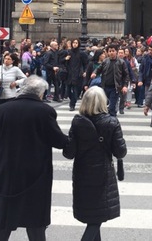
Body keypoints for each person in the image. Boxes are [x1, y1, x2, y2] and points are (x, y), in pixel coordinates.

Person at [0, 75, 69, 241]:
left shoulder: (3, 110)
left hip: (7, 170)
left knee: (3, 220)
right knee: (35, 221)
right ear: (40, 93)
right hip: (35, 173)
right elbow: (59, 141)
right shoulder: (45, 111)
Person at [63, 86, 126, 241]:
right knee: (97, 218)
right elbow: (120, 152)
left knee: (94, 215)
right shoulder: (111, 122)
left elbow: (69, 153)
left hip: (82, 172)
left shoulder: (77, 122)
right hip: (103, 173)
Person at [92, 45, 129, 117]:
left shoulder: (121, 62)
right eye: (110, 51)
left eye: (113, 51)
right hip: (105, 86)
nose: (111, 53)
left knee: (112, 106)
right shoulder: (105, 61)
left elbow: (126, 75)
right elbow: (99, 69)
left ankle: (112, 120)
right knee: (103, 105)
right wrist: (94, 73)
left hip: (115, 88)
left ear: (116, 52)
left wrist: (125, 86)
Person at [64, 38, 89, 110]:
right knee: (68, 91)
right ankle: (72, 100)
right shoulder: (68, 52)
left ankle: (72, 104)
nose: (74, 44)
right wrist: (66, 59)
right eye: (73, 43)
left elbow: (86, 63)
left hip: (78, 74)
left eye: (76, 43)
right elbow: (62, 62)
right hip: (69, 74)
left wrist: (85, 71)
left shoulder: (81, 53)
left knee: (76, 91)